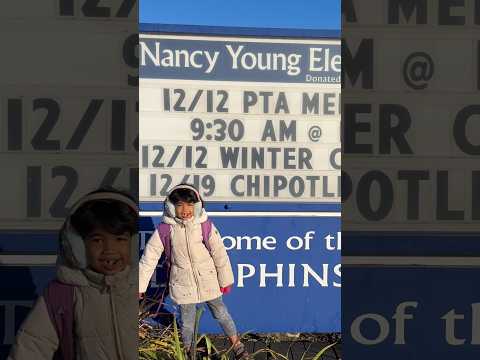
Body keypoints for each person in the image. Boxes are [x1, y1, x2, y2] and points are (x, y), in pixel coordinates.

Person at [8, 187, 139, 360]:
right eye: (97, 240)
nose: (109, 249)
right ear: (77, 246)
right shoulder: (62, 294)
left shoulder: (148, 290)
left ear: (135, 243)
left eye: (120, 239)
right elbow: (32, 347)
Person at [138, 183, 250, 359]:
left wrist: (225, 279)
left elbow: (219, 252)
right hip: (183, 285)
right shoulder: (165, 229)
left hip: (208, 280)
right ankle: (190, 353)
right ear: (171, 206)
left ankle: (237, 345)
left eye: (190, 205)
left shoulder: (204, 225)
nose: (185, 210)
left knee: (221, 313)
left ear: (197, 206)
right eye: (180, 205)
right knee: (187, 324)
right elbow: (149, 258)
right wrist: (140, 286)